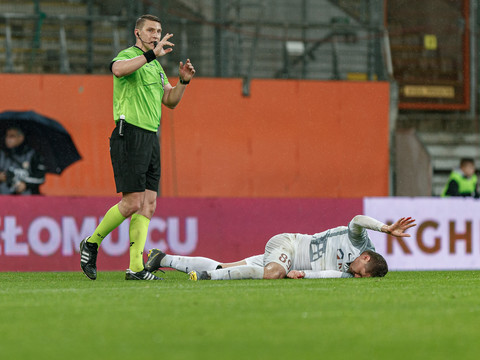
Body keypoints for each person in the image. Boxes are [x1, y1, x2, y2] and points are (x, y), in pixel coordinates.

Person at [80, 14, 196, 281]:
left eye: (159, 30)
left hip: (150, 136)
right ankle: (92, 242)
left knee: (149, 204)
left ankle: (135, 268)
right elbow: (118, 70)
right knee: (132, 202)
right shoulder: (129, 56)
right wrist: (151, 55)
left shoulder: (156, 68)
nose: (156, 34)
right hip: (129, 133)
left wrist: (184, 82)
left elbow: (170, 101)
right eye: (151, 30)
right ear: (138, 33)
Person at [145, 215, 416, 280]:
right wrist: (386, 228)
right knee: (272, 272)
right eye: (361, 272)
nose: (355, 276)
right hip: (290, 243)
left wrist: (301, 274)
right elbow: (357, 220)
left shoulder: (349, 274)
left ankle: (163, 257)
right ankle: (209, 278)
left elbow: (324, 275)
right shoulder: (360, 242)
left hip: (290, 262)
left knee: (227, 266)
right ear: (365, 257)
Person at [0, 127, 46, 195]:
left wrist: (26, 185)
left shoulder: (33, 154)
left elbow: (41, 178)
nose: (8, 139)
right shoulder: (2, 153)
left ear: (21, 137)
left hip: (27, 199)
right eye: (7, 136)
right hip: (4, 198)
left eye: (12, 136)